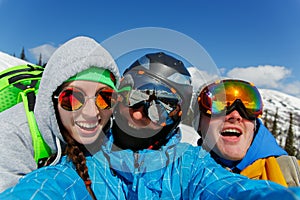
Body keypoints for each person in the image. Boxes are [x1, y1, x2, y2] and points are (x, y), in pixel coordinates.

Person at [1, 52, 300, 199]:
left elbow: (231, 190)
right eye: (139, 95)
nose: (144, 113)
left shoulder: (188, 165)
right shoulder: (85, 163)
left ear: (175, 116)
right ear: (119, 97)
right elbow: (47, 189)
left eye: (164, 104)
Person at [0, 36, 120, 194]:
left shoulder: (109, 130)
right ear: (52, 100)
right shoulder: (12, 133)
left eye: (105, 98)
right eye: (72, 98)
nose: (92, 113)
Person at [195, 78, 300, 186]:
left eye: (248, 106)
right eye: (218, 106)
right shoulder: (185, 175)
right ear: (198, 122)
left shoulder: (291, 172)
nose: (235, 116)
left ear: (254, 125)